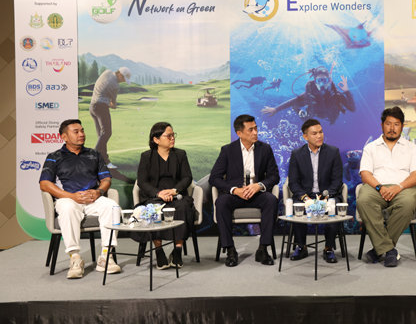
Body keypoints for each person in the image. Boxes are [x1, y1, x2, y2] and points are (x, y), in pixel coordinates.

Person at [39, 119, 121, 279]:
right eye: (76, 132)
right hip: (68, 198)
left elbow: (106, 179)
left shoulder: (94, 154)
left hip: (93, 199)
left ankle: (106, 256)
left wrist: (98, 192)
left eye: (82, 130)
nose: (81, 134)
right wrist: (71, 196)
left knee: (112, 206)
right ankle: (75, 258)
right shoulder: (54, 157)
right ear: (64, 136)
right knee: (67, 207)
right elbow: (44, 184)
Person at [209, 114, 281, 267]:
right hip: (236, 195)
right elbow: (214, 178)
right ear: (239, 133)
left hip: (257, 194)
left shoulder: (265, 149)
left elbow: (274, 176)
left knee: (271, 200)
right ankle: (230, 250)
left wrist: (259, 185)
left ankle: (263, 249)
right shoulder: (228, 150)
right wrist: (235, 190)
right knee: (221, 202)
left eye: (256, 128)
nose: (255, 132)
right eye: (250, 130)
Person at [356, 106, 416, 267]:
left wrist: (399, 187)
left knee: (407, 204)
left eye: (396, 124)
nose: (392, 128)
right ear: (382, 125)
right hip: (376, 187)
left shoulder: (411, 148)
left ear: (402, 126)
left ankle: (378, 250)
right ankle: (389, 250)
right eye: (388, 124)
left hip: (403, 188)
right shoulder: (371, 147)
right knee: (363, 200)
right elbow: (365, 174)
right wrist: (380, 188)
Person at [134, 122, 195, 269]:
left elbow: (187, 177)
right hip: (155, 196)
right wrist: (158, 193)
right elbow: (142, 182)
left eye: (173, 135)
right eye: (168, 136)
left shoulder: (180, 154)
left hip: (176, 196)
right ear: (156, 139)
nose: (172, 138)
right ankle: (159, 251)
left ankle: (177, 251)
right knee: (154, 210)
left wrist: (175, 190)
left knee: (183, 208)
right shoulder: (146, 156)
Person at [288, 119, 344, 263]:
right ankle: (301, 247)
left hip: (327, 194)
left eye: (321, 132)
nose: (319, 136)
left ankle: (328, 248)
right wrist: (305, 198)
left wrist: (326, 196)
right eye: (314, 133)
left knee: (332, 206)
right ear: (305, 136)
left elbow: (337, 181)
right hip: (305, 195)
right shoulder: (296, 154)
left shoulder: (333, 152)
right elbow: (293, 182)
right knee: (297, 207)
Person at [262, 65, 355, 125]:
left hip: (331, 114)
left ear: (329, 81)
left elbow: (352, 109)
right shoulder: (310, 93)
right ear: (315, 82)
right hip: (314, 112)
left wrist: (347, 91)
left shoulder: (336, 95)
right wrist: (276, 109)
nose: (322, 84)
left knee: (333, 119)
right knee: (305, 118)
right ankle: (296, 108)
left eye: (324, 80)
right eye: (319, 81)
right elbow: (293, 101)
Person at [89, 67, 132, 169]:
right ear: (120, 75)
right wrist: (113, 105)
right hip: (101, 108)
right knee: (107, 133)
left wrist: (108, 102)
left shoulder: (107, 72)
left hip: (92, 107)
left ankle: (105, 162)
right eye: (124, 79)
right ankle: (92, 157)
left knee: (101, 136)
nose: (123, 82)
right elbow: (113, 103)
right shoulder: (115, 85)